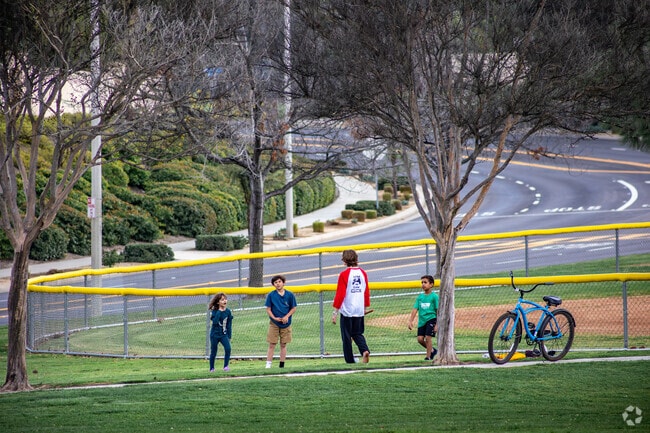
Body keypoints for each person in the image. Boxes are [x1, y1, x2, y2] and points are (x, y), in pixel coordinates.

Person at [331, 249, 371, 364]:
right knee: (358, 333)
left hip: (348, 310)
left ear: (344, 261)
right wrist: (364, 307)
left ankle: (350, 360)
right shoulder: (363, 273)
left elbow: (340, 294)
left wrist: (335, 312)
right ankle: (364, 350)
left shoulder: (344, 274)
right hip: (358, 309)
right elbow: (365, 291)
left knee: (346, 336)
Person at [265, 275, 297, 368]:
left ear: (283, 283)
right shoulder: (271, 295)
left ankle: (281, 364)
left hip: (286, 323)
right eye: (275, 282)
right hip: (274, 323)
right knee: (272, 344)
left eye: (279, 282)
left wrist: (287, 316)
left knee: (283, 344)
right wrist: (274, 318)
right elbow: (268, 309)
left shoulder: (289, 295)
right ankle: (268, 364)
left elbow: (293, 308)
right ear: (273, 285)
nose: (278, 284)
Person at [408, 275, 439, 360]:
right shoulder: (420, 297)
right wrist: (410, 321)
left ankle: (428, 356)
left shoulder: (434, 297)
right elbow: (415, 309)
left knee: (428, 337)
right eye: (422, 282)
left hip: (431, 319)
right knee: (420, 339)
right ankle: (432, 350)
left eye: (425, 282)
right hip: (422, 321)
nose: (423, 284)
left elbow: (438, 310)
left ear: (431, 284)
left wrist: (437, 324)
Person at [208, 292, 233, 372]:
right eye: (222, 300)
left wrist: (229, 336)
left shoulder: (228, 311)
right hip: (214, 334)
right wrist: (219, 311)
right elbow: (215, 322)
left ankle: (226, 366)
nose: (225, 301)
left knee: (228, 348)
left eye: (225, 299)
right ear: (218, 302)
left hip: (223, 334)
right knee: (214, 351)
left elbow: (229, 324)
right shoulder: (215, 311)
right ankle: (212, 368)